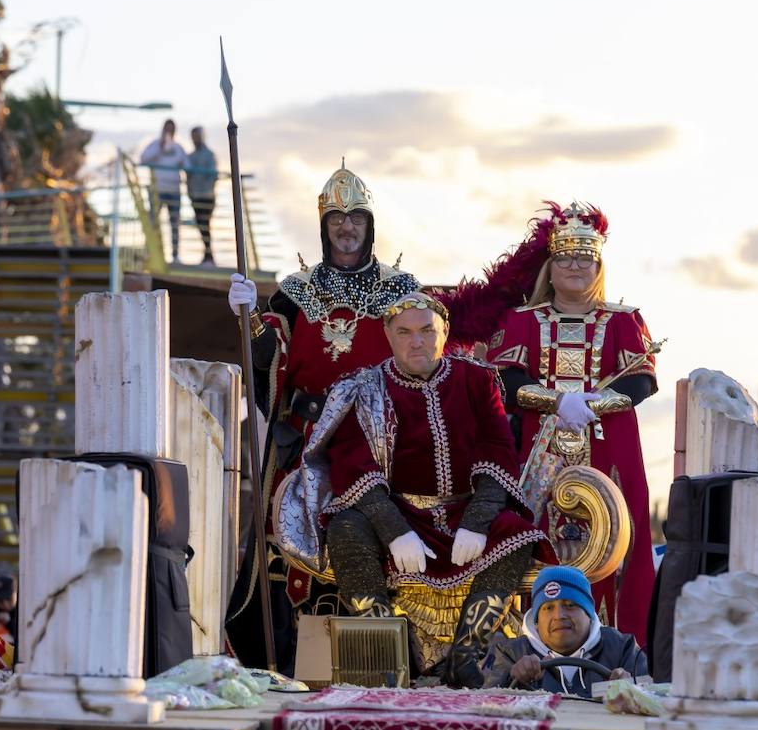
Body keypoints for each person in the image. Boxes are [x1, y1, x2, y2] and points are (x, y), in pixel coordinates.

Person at [278, 293, 553, 686]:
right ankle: (384, 659)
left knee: (519, 535)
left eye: (427, 330)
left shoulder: (477, 380)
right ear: (388, 335)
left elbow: (497, 451)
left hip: (463, 512)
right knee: (345, 528)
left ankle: (467, 653)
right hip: (397, 512)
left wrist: (477, 521)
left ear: (444, 333)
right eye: (405, 332)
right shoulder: (364, 387)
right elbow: (354, 466)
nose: (416, 341)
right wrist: (395, 530)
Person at [224, 162, 420, 671]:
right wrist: (249, 319)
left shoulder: (401, 289)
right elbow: (268, 354)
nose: (346, 227)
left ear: (369, 224)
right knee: (285, 541)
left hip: (376, 441)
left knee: (378, 537)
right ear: (324, 226)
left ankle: (382, 658)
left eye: (355, 217)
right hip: (306, 438)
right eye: (336, 218)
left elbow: (425, 351)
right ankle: (282, 662)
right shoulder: (295, 290)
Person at [491, 202, 662, 640]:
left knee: (621, 540)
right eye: (565, 257)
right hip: (540, 451)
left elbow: (641, 384)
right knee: (536, 540)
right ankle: (533, 643)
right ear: (550, 264)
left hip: (611, 449)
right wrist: (559, 402)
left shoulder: (624, 320)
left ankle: (624, 648)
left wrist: (594, 404)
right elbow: (507, 382)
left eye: (585, 258)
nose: (575, 266)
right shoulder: (521, 321)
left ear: (599, 265)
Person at [481, 565, 646, 696]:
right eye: (548, 608)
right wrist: (511, 680)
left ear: (588, 613)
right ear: (537, 621)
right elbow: (486, 707)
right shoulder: (511, 654)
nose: (559, 615)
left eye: (570, 605)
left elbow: (655, 700)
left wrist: (634, 688)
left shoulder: (623, 649)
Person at [139, 119, 189, 263]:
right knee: (153, 222)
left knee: (174, 223)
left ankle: (175, 255)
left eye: (171, 130)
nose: (169, 132)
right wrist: (160, 148)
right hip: (157, 191)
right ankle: (149, 251)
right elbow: (143, 159)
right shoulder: (154, 145)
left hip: (174, 191)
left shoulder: (178, 148)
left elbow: (187, 164)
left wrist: (182, 164)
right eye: (167, 129)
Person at [185, 126, 219, 265]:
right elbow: (188, 176)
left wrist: (206, 188)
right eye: (193, 136)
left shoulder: (209, 154)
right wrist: (190, 192)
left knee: (205, 224)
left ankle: (209, 256)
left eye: (196, 135)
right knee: (201, 225)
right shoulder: (191, 156)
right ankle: (207, 255)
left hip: (207, 196)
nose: (195, 139)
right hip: (195, 196)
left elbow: (213, 175)